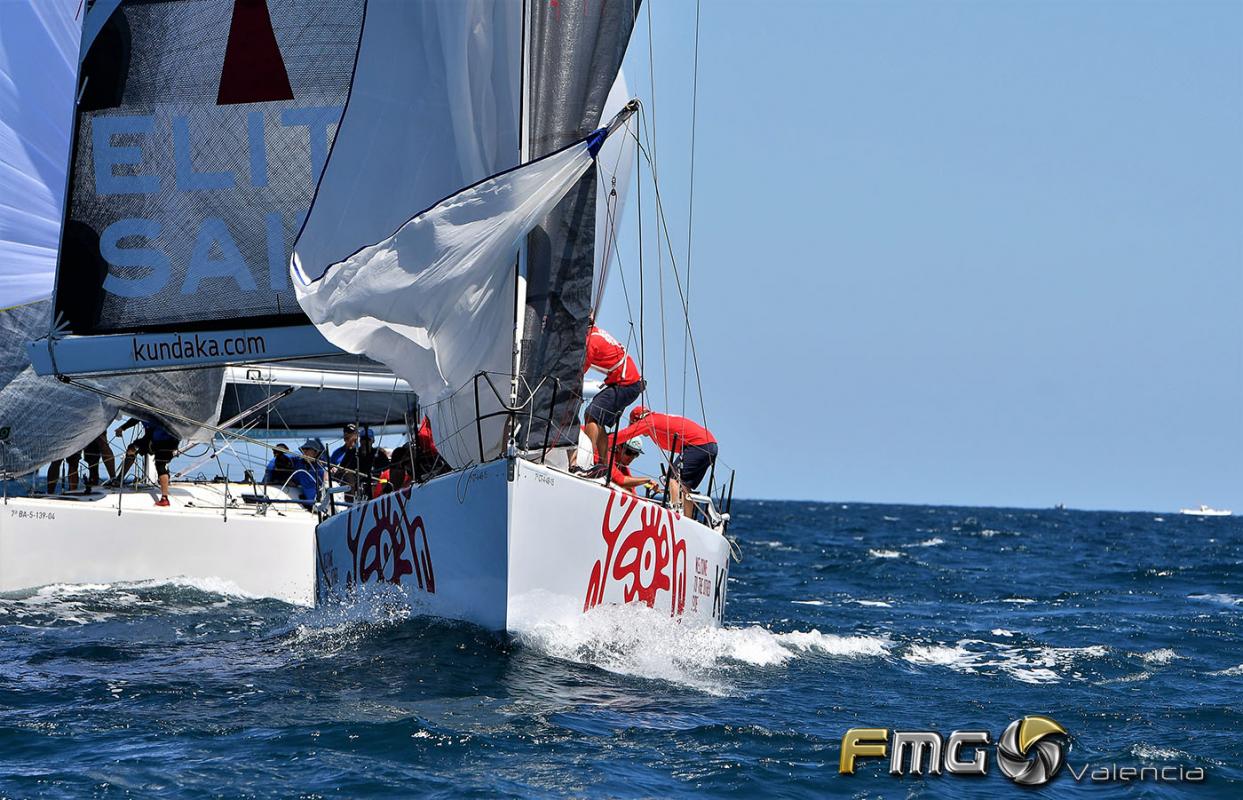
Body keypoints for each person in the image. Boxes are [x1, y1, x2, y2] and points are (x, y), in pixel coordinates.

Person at [615, 406, 718, 515]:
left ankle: (675, 514)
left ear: (637, 420)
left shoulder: (648, 421)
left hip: (699, 445)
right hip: (710, 445)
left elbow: (624, 435)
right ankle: (688, 519)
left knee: (672, 479)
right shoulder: (657, 420)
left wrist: (606, 441)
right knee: (685, 486)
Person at [577, 321, 644, 468]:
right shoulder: (596, 332)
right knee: (597, 420)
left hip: (625, 383)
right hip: (628, 384)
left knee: (591, 415)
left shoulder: (591, 342)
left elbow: (579, 372)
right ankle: (603, 464)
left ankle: (582, 461)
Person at [117, 417, 180, 507]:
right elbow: (135, 419)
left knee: (159, 465)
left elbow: (147, 433)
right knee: (161, 464)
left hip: (159, 440)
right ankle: (119, 479)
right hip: (171, 440)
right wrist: (123, 428)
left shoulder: (148, 413)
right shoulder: (146, 413)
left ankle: (164, 498)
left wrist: (122, 429)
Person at [289, 438, 326, 510]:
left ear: (316, 452)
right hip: (308, 504)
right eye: (303, 449)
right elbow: (294, 480)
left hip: (322, 503)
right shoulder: (299, 465)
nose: (304, 451)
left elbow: (327, 482)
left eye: (308, 449)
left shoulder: (322, 466)